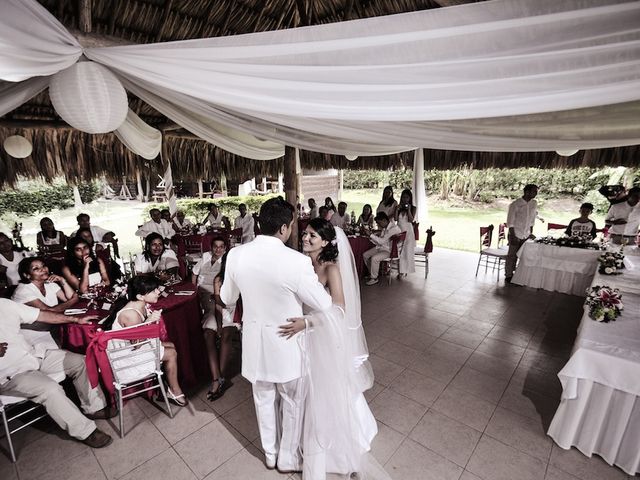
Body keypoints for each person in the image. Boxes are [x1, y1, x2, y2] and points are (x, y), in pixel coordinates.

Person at [221, 197, 332, 473]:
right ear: (285, 227)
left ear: (259, 222)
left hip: (255, 344)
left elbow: (227, 297)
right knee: (292, 403)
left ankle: (270, 455)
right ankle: (286, 458)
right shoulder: (296, 261)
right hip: (287, 344)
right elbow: (325, 304)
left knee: (263, 401)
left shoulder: (236, 255)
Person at [279, 218, 378, 479]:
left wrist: (308, 322)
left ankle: (336, 446)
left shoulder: (331, 269)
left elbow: (340, 309)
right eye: (305, 234)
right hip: (300, 335)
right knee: (303, 390)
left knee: (326, 392)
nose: (306, 238)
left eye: (313, 235)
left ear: (326, 241)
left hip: (322, 336)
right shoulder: (300, 264)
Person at [0, 299, 115, 448]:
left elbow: (42, 315)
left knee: (81, 361)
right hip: (10, 373)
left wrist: (76, 319)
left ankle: (94, 407)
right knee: (50, 389)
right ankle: (85, 431)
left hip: (35, 357)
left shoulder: (4, 304)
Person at [103, 276, 186, 406]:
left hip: (133, 348)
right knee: (172, 353)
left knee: (171, 345)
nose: (158, 292)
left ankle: (168, 383)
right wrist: (149, 321)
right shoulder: (131, 314)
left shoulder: (140, 304)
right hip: (125, 359)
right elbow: (136, 345)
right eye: (153, 291)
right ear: (140, 296)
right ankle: (174, 391)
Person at [191, 236, 227, 399]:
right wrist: (194, 291)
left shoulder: (226, 262)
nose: (218, 249)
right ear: (211, 248)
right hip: (200, 295)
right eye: (215, 247)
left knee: (209, 332)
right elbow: (194, 274)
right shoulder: (205, 257)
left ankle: (216, 378)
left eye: (221, 247)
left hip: (214, 298)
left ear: (225, 248)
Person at [211, 252, 241, 400]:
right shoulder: (218, 279)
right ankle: (221, 378)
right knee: (226, 335)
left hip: (242, 309)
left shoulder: (243, 276)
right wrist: (219, 324)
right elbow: (218, 304)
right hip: (227, 311)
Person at [12, 257, 78, 312]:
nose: (43, 269)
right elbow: (49, 311)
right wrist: (74, 299)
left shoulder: (49, 284)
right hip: (30, 326)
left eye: (43, 266)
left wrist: (62, 280)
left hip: (51, 323)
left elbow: (68, 299)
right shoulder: (23, 291)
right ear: (27, 275)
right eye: (36, 268)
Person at [505, 184, 538, 282]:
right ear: (526, 192)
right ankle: (509, 275)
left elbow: (532, 220)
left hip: (526, 235)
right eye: (534, 191)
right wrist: (513, 236)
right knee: (512, 256)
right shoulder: (515, 204)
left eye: (536, 192)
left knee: (525, 256)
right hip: (516, 234)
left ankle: (520, 275)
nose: (536, 194)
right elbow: (510, 222)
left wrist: (531, 233)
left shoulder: (534, 203)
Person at [363, 212, 402, 286]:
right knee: (365, 255)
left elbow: (381, 241)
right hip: (382, 247)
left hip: (390, 250)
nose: (378, 225)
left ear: (384, 220)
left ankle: (374, 278)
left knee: (374, 258)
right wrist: (370, 237)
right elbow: (380, 242)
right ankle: (372, 273)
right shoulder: (385, 228)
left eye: (379, 223)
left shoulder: (393, 229)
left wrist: (371, 235)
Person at [395, 189, 417, 277]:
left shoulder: (413, 208)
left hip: (408, 231)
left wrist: (408, 210)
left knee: (406, 251)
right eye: (403, 197)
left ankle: (404, 271)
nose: (405, 199)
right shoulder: (399, 207)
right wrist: (397, 209)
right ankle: (399, 269)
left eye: (407, 197)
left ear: (410, 198)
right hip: (399, 230)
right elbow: (396, 219)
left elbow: (411, 220)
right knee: (399, 251)